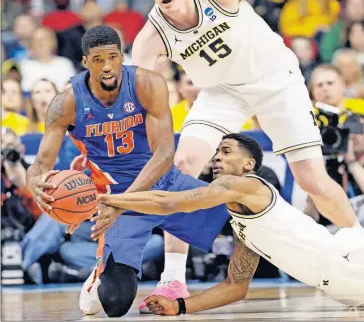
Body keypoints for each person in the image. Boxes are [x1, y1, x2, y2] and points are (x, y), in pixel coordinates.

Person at [129, 0, 364, 303]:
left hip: (275, 81)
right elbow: (134, 101)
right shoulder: (150, 37)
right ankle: (173, 278)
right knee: (183, 163)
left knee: (311, 178)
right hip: (222, 92)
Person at [25, 25, 229, 318]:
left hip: (162, 183)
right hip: (117, 197)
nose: (107, 67)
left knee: (241, 214)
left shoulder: (148, 83)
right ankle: (99, 274)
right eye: (98, 60)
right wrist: (34, 180)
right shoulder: (66, 103)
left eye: (113, 57)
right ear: (85, 62)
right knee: (116, 304)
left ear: (122, 56)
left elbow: (164, 154)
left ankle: (173, 278)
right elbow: (42, 163)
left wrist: (124, 203)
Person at [99, 133, 364, 315]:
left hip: (361, 259)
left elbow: (172, 202)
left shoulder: (248, 185)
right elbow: (235, 287)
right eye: (216, 153)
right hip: (349, 288)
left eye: (226, 151)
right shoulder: (246, 224)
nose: (216, 157)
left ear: (249, 165)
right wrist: (180, 307)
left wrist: (114, 200)